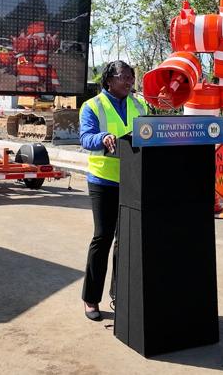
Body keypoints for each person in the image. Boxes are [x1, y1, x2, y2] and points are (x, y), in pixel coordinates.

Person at [79, 60, 147, 321]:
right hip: (103, 181)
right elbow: (86, 138)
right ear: (109, 80)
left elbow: (147, 132)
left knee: (126, 240)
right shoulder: (92, 106)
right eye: (125, 77)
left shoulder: (138, 104)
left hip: (132, 180)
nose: (130, 82)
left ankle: (120, 295)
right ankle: (91, 299)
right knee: (103, 237)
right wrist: (102, 138)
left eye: (132, 77)